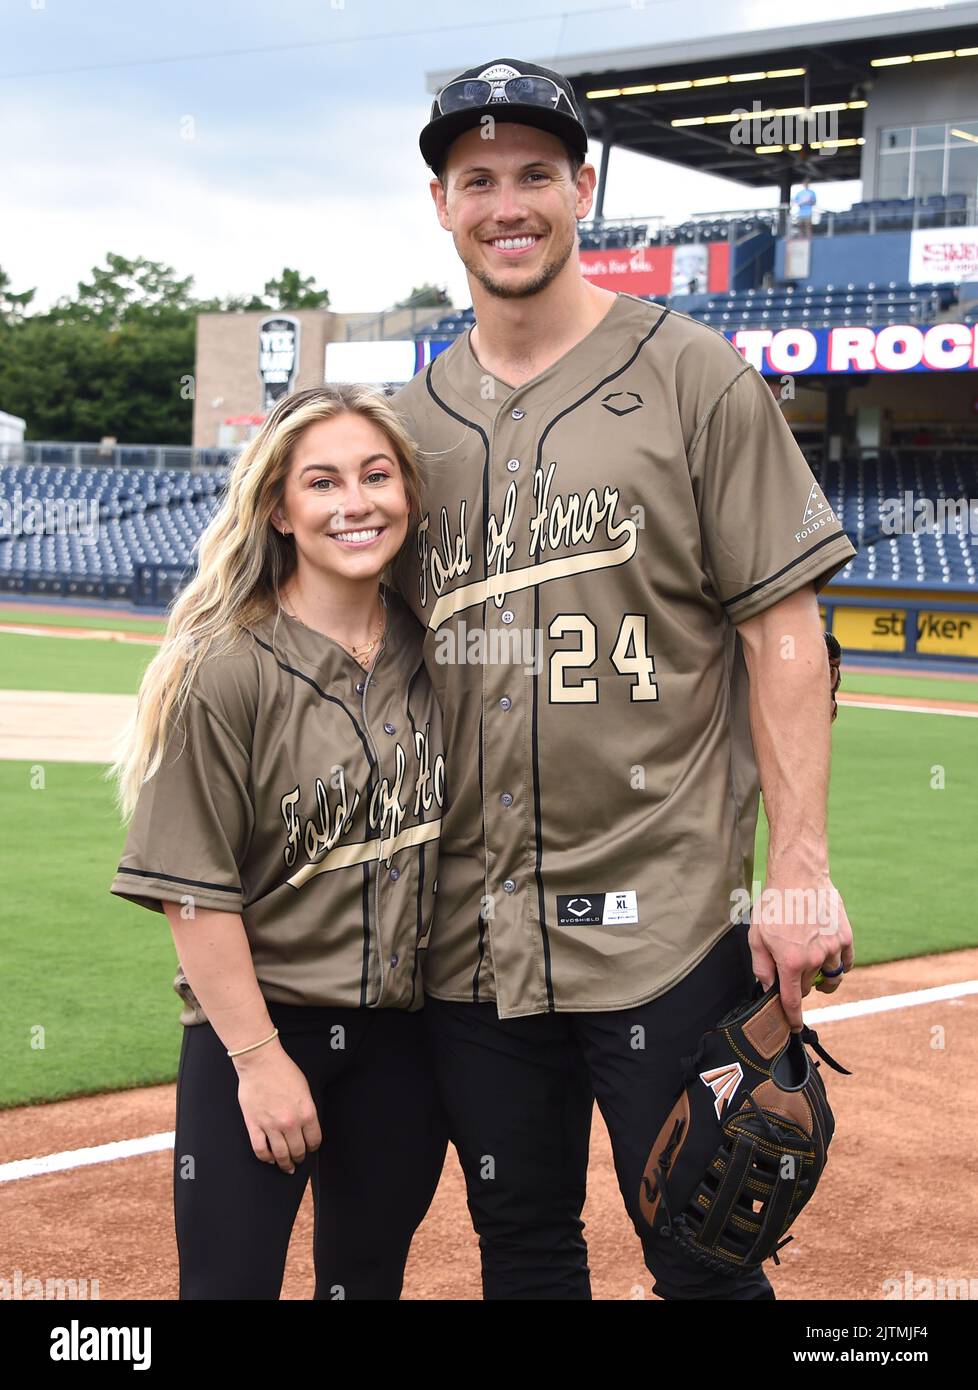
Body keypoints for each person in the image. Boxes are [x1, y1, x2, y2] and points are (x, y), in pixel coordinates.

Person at [388, 57, 857, 1301]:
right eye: (476, 178)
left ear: (582, 187)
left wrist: (800, 871)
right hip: (469, 941)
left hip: (661, 921)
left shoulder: (696, 375)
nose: (507, 203)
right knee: (523, 1250)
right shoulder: (408, 424)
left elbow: (786, 630)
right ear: (440, 203)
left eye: (535, 173)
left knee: (704, 1252)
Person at [109, 384, 448, 1299]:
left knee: (367, 1282)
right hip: (260, 1031)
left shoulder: (439, 653)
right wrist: (259, 1065)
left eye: (378, 475)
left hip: (403, 1044)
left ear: (408, 495)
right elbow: (192, 889)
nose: (356, 502)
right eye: (323, 482)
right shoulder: (226, 665)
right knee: (227, 1288)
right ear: (279, 510)